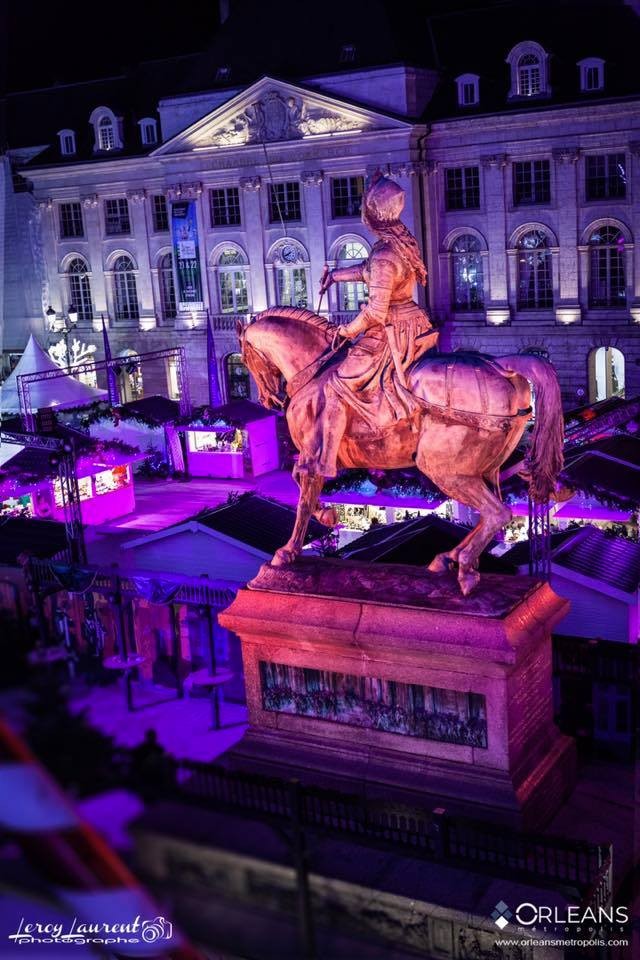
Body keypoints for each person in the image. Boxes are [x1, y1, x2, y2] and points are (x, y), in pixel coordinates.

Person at [315, 170, 438, 477]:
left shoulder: (385, 253)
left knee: (337, 383)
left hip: (391, 330)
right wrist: (336, 277)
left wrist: (344, 331)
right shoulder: (401, 243)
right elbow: (369, 270)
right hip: (414, 320)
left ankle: (327, 460)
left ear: (372, 215)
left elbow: (374, 314)